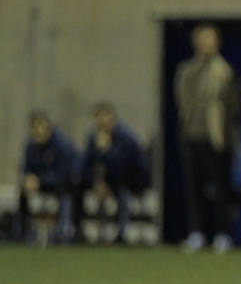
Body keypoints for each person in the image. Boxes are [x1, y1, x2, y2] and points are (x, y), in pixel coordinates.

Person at [174, 23, 238, 253]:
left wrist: (223, 132)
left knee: (220, 188)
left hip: (216, 138)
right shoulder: (186, 70)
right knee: (194, 189)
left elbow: (232, 106)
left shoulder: (223, 70)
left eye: (211, 39)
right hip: (191, 134)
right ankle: (197, 233)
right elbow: (181, 99)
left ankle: (222, 235)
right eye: (203, 39)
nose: (207, 44)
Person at [79, 102, 150, 244]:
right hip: (108, 180)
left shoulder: (126, 138)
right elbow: (86, 166)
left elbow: (122, 168)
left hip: (133, 180)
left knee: (122, 189)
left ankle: (121, 234)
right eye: (99, 117)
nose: (102, 121)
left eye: (105, 116)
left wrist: (105, 152)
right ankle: (78, 231)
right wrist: (96, 182)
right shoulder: (93, 138)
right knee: (77, 186)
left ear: (112, 118)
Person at [20, 111, 79, 246]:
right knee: (22, 192)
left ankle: (63, 231)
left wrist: (39, 180)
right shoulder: (31, 146)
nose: (37, 131)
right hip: (40, 183)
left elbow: (65, 173)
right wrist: (28, 178)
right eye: (34, 128)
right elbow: (26, 168)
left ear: (48, 128)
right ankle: (24, 231)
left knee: (66, 190)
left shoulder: (62, 145)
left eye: (40, 127)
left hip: (62, 183)